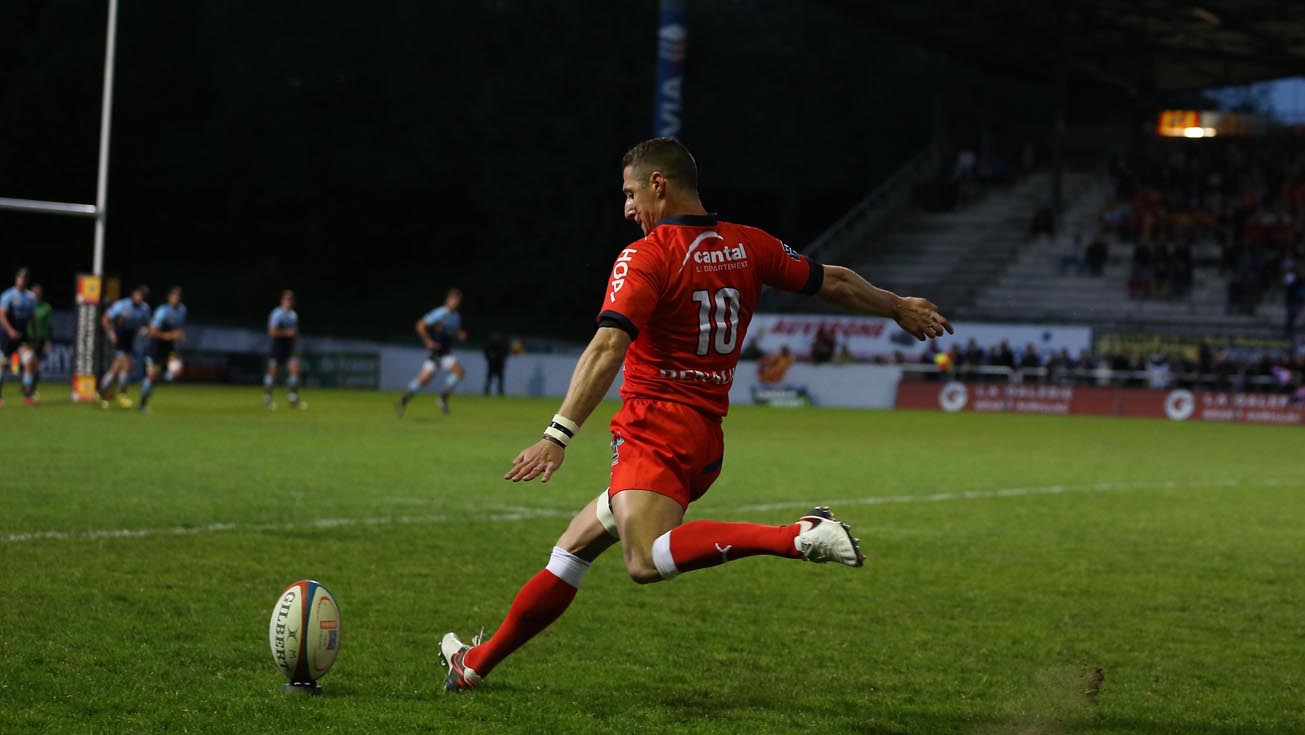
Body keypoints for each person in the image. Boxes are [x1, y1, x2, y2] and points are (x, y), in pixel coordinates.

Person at [437, 137, 952, 692]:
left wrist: (557, 434)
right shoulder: (747, 244)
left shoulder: (647, 255)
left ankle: (796, 535)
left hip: (654, 431)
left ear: (659, 183)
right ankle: (475, 665)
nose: (628, 208)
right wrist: (897, 305)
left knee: (644, 561)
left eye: (632, 194)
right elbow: (837, 281)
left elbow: (608, 347)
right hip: (704, 440)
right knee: (573, 548)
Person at [395, 288, 466, 416]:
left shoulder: (457, 317)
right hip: (436, 352)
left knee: (459, 372)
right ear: (447, 300)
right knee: (423, 381)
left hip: (446, 353)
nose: (455, 302)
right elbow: (420, 325)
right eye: (453, 299)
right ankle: (403, 400)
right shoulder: (440, 313)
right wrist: (427, 341)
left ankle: (442, 398)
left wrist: (459, 335)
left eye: (457, 300)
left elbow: (452, 334)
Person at [99, 285, 152, 408]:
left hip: (131, 339)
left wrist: (145, 329)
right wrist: (111, 334)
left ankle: (103, 392)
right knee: (125, 365)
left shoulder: (144, 309)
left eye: (141, 296)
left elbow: (149, 325)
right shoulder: (121, 305)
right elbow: (105, 319)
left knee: (119, 368)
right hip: (119, 337)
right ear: (133, 294)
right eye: (137, 295)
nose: (138, 298)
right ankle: (121, 394)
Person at [139, 286, 186, 412]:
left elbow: (178, 328)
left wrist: (180, 335)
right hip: (156, 346)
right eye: (173, 296)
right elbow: (153, 332)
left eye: (178, 296)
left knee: (176, 370)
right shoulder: (162, 311)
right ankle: (143, 403)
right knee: (151, 376)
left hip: (169, 347)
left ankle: (163, 377)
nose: (175, 298)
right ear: (169, 297)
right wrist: (170, 335)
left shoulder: (182, 310)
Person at [0, 267, 38, 406]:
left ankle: (27, 394)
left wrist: (35, 334)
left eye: (24, 278)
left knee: (29, 361)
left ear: (27, 280)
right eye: (20, 277)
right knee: (2, 364)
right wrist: (10, 331)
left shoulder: (30, 298)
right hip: (6, 336)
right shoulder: (8, 295)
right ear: (16, 279)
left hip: (22, 336)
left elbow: (33, 318)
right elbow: (2, 315)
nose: (22, 280)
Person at [264, 290, 306, 410]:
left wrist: (296, 347)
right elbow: (272, 331)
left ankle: (293, 399)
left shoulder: (293, 315)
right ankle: (268, 400)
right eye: (287, 299)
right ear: (282, 301)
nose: (289, 302)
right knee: (272, 374)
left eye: (291, 300)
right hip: (277, 346)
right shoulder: (277, 314)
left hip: (289, 347)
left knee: (294, 370)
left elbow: (295, 333)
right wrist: (287, 333)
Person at [26, 283, 53, 399]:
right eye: (34, 293)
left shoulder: (46, 308)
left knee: (36, 366)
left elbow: (49, 326)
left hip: (40, 339)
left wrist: (48, 340)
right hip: (27, 338)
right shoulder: (26, 306)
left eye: (38, 293)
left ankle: (31, 388)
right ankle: (28, 388)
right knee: (29, 362)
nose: (36, 295)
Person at [483, 332, 508, 396]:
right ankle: (487, 390)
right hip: (492, 363)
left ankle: (500, 391)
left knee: (500, 377)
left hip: (499, 363)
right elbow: (486, 352)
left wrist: (501, 357)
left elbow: (506, 352)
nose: (496, 338)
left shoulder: (502, 344)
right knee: (490, 377)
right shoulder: (490, 344)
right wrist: (489, 358)